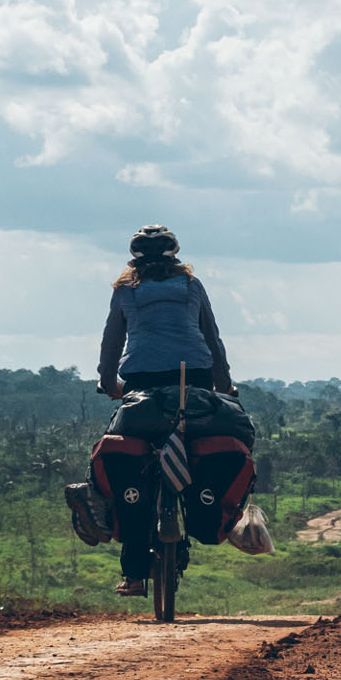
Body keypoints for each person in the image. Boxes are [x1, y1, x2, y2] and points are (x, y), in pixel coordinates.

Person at [95, 224, 235, 595]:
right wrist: (223, 385)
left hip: (141, 383)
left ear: (134, 260)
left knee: (132, 467)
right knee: (201, 450)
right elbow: (211, 338)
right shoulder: (192, 286)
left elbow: (112, 342)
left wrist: (109, 383)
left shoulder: (126, 290)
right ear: (176, 257)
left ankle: (134, 574)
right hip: (196, 380)